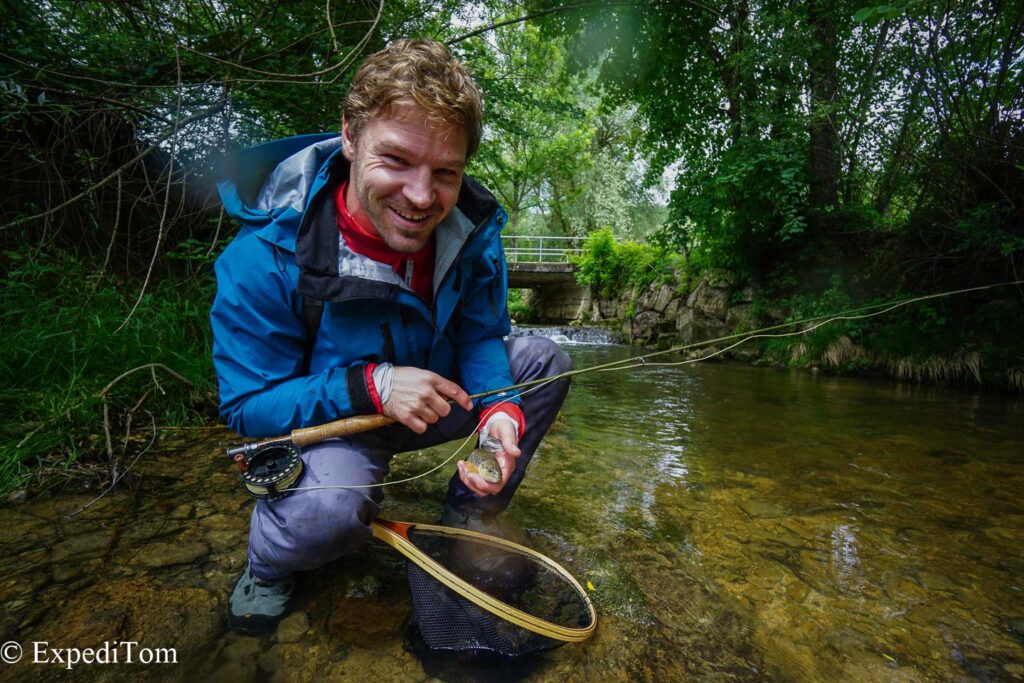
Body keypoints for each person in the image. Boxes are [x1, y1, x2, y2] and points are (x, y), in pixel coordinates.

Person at [210, 38, 572, 635]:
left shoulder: (470, 236)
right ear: (350, 136)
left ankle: (470, 506)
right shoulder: (262, 258)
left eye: (445, 173)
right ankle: (269, 564)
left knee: (544, 361)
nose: (423, 197)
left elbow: (482, 335)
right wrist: (372, 385)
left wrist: (501, 410)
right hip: (337, 425)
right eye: (397, 161)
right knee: (325, 516)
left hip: (434, 401)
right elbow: (249, 407)